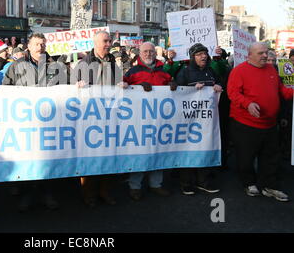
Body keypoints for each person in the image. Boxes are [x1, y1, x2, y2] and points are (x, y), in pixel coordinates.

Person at [3, 33, 66, 211]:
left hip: (50, 121)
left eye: (43, 44)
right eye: (37, 44)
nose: (40, 47)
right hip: (25, 122)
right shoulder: (16, 66)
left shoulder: (56, 66)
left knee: (47, 159)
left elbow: (65, 89)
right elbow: (6, 90)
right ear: (28, 46)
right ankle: (26, 194)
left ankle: (47, 193)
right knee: (27, 159)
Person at [228, 42, 293, 201]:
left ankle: (269, 186)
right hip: (245, 124)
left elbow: (282, 91)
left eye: (266, 52)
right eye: (261, 53)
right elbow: (233, 93)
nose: (265, 55)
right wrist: (248, 104)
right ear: (249, 55)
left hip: (270, 124)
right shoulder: (239, 71)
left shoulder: (271, 70)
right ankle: (249, 182)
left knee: (271, 157)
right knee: (246, 156)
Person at [74, 30, 126, 208]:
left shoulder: (112, 62)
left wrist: (123, 83)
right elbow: (72, 88)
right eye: (105, 41)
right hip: (89, 118)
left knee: (108, 154)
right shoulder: (84, 63)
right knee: (90, 156)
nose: (109, 44)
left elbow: (119, 81)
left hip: (109, 116)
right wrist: (77, 86)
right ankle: (88, 194)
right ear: (95, 43)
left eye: (110, 41)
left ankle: (105, 191)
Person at [123, 42, 177, 201]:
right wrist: (138, 87)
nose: (148, 54)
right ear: (139, 53)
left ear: (155, 53)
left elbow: (170, 83)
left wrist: (173, 84)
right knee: (140, 152)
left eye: (151, 51)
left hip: (160, 119)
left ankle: (156, 184)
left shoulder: (164, 70)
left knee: (158, 150)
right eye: (145, 51)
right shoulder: (132, 71)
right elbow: (123, 88)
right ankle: (135, 186)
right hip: (138, 120)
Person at [175, 43, 223, 195]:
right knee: (187, 148)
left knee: (205, 147)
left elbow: (221, 81)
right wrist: (191, 90)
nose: (203, 56)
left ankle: (204, 181)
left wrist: (218, 86)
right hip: (188, 120)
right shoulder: (185, 72)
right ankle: (186, 183)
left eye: (205, 53)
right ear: (192, 57)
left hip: (206, 120)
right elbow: (176, 91)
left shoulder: (210, 71)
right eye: (199, 54)